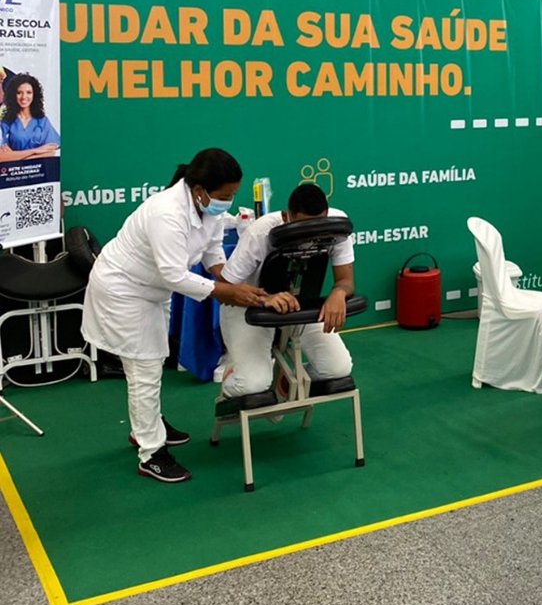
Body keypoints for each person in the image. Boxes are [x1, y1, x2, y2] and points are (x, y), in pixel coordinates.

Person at [80, 149, 270, 483]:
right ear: (200, 189)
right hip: (124, 289)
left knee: (152, 361)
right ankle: (150, 452)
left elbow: (212, 252)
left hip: (151, 290)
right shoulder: (167, 212)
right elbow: (173, 275)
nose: (228, 202)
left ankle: (147, 425)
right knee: (145, 368)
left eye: (233, 195)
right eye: (225, 196)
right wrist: (228, 293)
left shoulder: (205, 206)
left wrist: (232, 283)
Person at [215, 183, 355, 411]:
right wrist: (264, 298)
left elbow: (345, 280)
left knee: (338, 368)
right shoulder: (259, 232)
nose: (311, 231)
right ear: (288, 216)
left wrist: (338, 293)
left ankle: (284, 383)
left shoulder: (337, 225)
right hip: (248, 308)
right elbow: (225, 290)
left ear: (326, 214)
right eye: (302, 225)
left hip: (299, 304)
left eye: (317, 223)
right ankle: (233, 375)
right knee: (254, 384)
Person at [0, 73, 60, 158]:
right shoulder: (6, 123)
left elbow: (52, 152)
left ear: (34, 95)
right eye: (19, 92)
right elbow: (2, 156)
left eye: (29, 92)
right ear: (13, 95)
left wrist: (17, 157)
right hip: (16, 170)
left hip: (40, 169)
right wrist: (36, 151)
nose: (24, 97)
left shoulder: (42, 121)